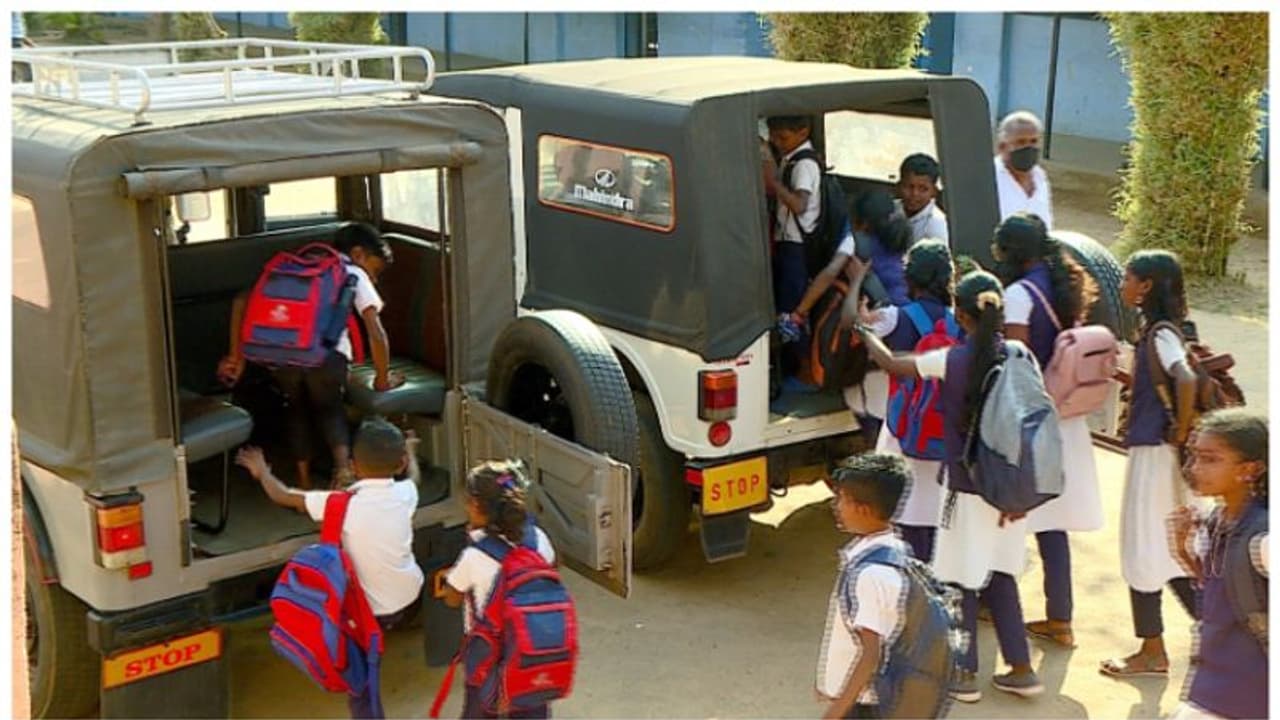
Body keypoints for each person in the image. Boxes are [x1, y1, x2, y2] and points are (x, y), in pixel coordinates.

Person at [856, 271, 1042, 701]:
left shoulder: (951, 359)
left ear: (961, 314)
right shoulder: (1020, 354)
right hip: (1011, 491)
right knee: (1000, 575)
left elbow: (891, 364)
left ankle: (963, 674)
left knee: (960, 580)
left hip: (966, 486)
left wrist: (866, 331)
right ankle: (1022, 669)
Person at [236, 418, 425, 719]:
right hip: (410, 600)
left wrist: (262, 471)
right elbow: (413, 478)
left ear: (352, 465)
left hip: (368, 615)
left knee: (359, 679)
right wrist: (413, 450)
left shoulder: (338, 504)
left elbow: (283, 495)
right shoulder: (407, 495)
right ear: (400, 463)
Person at [218, 223, 405, 489]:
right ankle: (342, 473)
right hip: (326, 358)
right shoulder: (352, 272)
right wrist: (383, 379)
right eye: (375, 270)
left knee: (296, 409)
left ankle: (303, 485)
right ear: (359, 254)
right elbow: (376, 332)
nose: (373, 279)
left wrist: (237, 356)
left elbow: (240, 301)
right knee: (330, 409)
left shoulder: (298, 266)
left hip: (282, 357)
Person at [990, 212, 1103, 649]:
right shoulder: (1061, 283)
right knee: (1051, 523)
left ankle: (992, 602)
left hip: (1030, 418)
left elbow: (1016, 362)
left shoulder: (1019, 294)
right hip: (1064, 416)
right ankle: (1061, 618)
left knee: (1009, 511)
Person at [1099, 250, 1202, 678]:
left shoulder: (1161, 333)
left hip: (1156, 457)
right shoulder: (1164, 330)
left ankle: (1153, 650)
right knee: (1168, 551)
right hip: (1159, 453)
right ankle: (1226, 635)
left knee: (1142, 548)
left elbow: (1186, 377)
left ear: (1145, 287)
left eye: (1128, 277)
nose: (1122, 284)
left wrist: (1178, 431)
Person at [844, 240, 956, 564]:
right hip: (943, 431)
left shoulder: (896, 318)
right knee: (935, 515)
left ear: (910, 279)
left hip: (902, 428)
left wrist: (856, 280)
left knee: (901, 511)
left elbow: (851, 319)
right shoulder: (957, 321)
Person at [1168, 409, 1268, 720]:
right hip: (1217, 684)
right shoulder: (1218, 519)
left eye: (1210, 459)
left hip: (1250, 691)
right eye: (1194, 456)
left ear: (1250, 469)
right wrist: (1184, 553)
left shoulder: (1263, 538)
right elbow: (1220, 595)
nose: (1194, 468)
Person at [443, 460, 557, 720]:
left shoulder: (474, 556)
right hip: (534, 645)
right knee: (531, 706)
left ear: (474, 505)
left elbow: (452, 597)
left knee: (480, 708)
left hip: (488, 654)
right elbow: (551, 572)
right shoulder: (539, 538)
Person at [815, 453, 913, 720]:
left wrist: (835, 712)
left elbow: (872, 653)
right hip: (876, 695)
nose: (836, 506)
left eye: (842, 499)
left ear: (863, 509)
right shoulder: (895, 549)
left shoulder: (870, 575)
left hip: (865, 704)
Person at [763, 115, 822, 315]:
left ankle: (795, 343)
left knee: (791, 304)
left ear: (803, 132)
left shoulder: (803, 164)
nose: (777, 143)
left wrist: (773, 184)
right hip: (787, 241)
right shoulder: (789, 158)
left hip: (796, 244)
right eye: (773, 138)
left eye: (783, 138)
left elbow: (799, 205)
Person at [994, 111, 1053, 229]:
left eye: (1033, 141)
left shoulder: (1040, 178)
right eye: (1021, 142)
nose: (1028, 147)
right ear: (1002, 146)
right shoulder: (989, 178)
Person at [895, 153, 949, 245]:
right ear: (899, 186)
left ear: (934, 192)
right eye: (909, 187)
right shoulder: (891, 209)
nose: (914, 194)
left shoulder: (936, 223)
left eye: (923, 189)